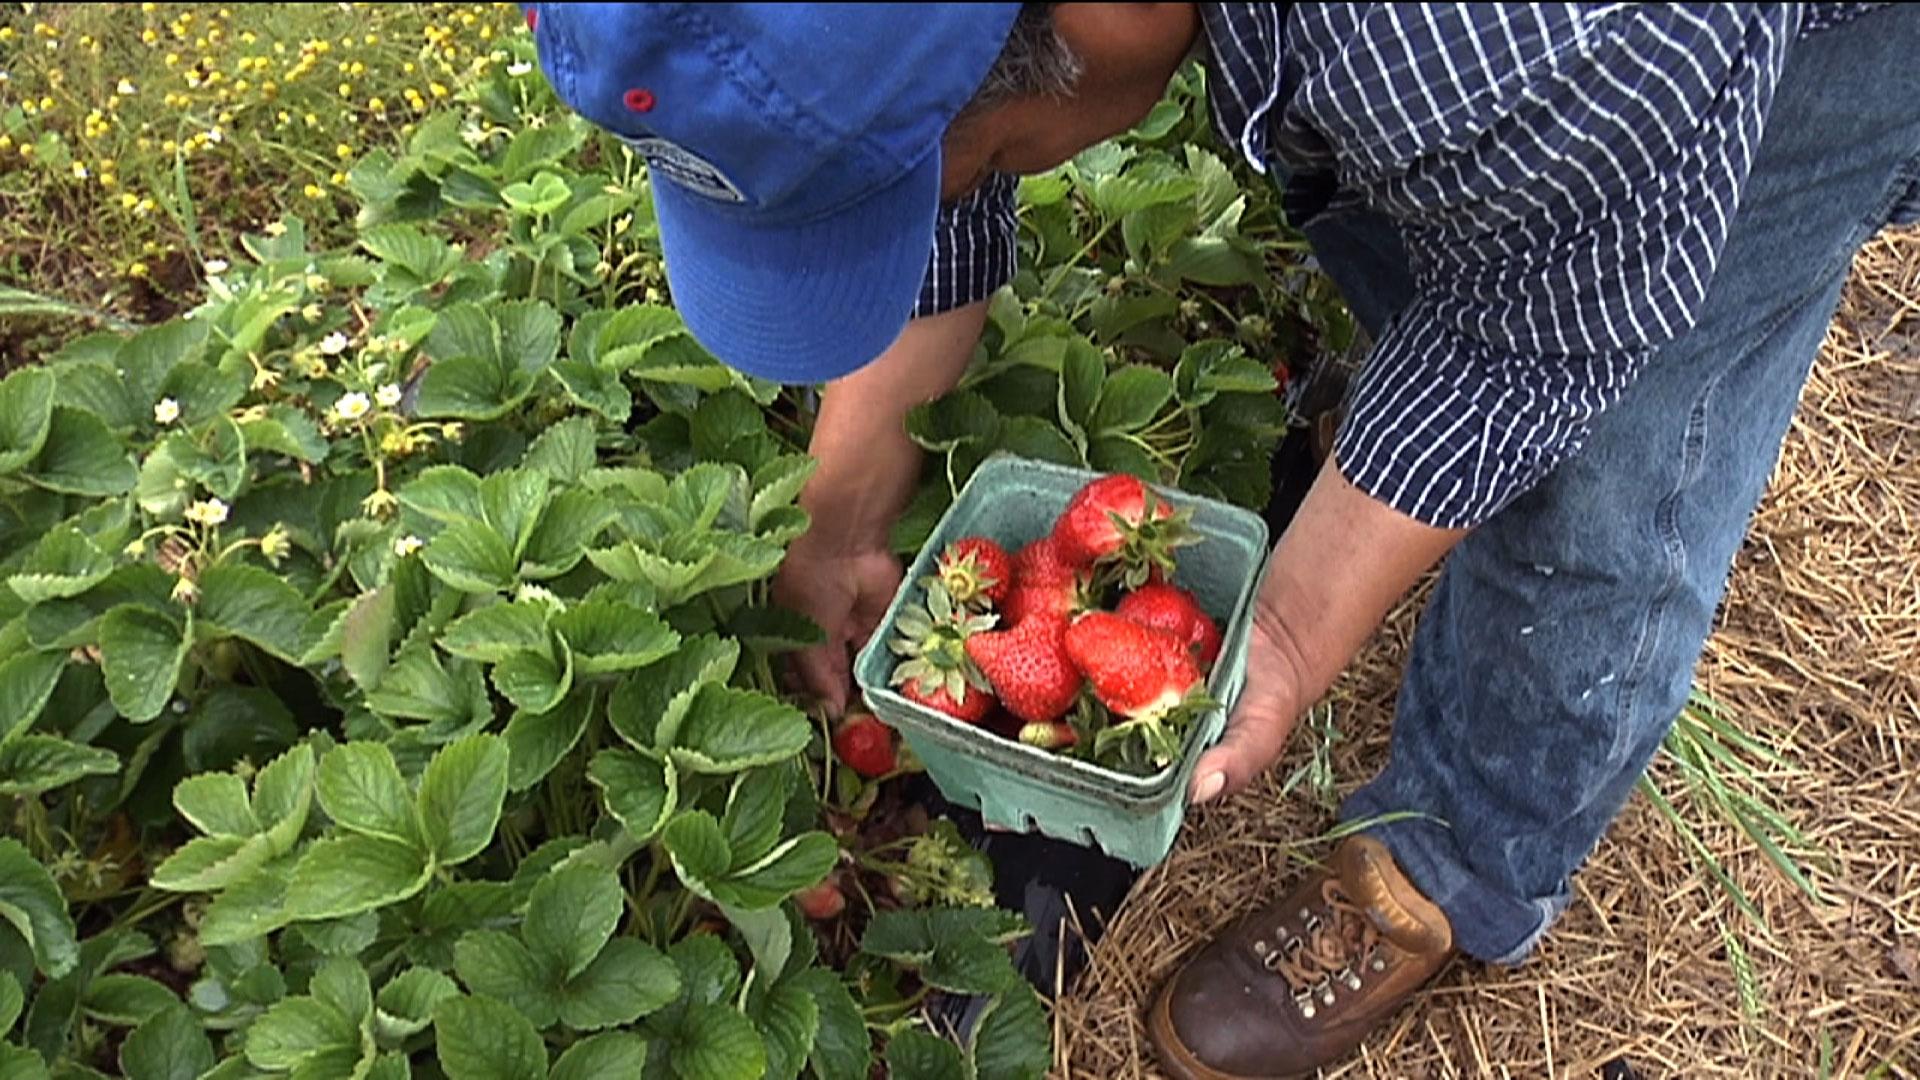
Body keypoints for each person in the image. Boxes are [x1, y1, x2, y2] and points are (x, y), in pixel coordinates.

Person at [526, 4, 1920, 1075]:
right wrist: (837, 522)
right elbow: (939, 113)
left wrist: (1299, 631)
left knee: (1612, 457)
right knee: (1447, 223)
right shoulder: (1020, 48)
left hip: (1756, 46)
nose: (952, 185)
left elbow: (1538, 339)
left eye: (949, 171)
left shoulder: (1526, 46)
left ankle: (1461, 864)